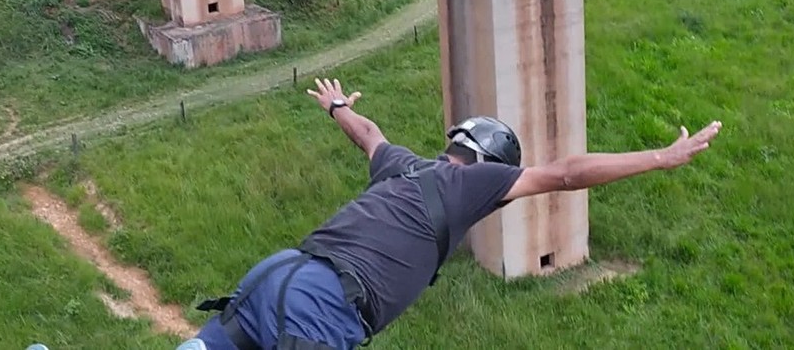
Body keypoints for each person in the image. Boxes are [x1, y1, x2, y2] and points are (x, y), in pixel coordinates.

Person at [179, 77, 724, 350]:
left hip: (274, 277)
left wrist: (338, 106)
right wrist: (661, 158)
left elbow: (369, 135)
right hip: (320, 312)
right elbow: (565, 173)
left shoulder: (404, 167)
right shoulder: (477, 182)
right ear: (494, 166)